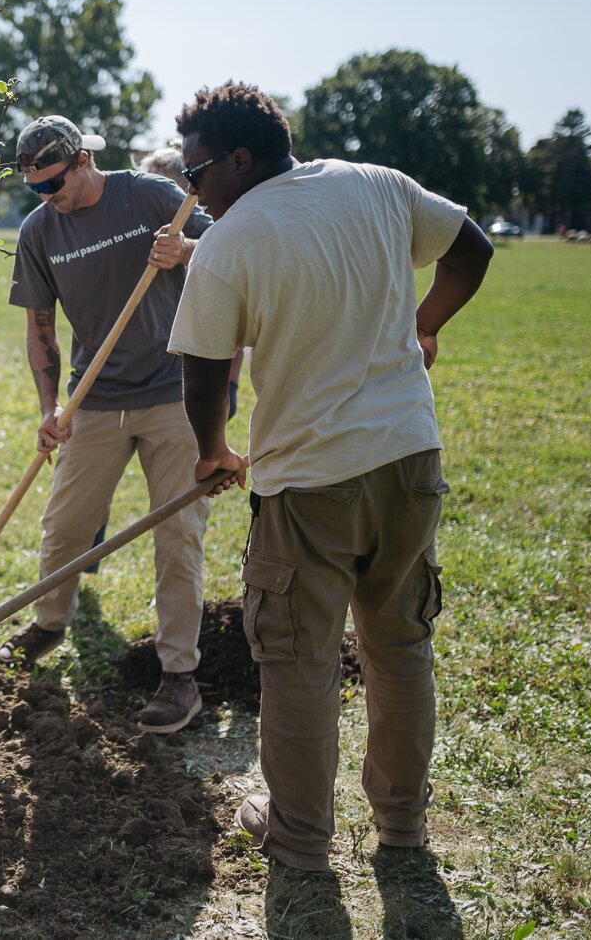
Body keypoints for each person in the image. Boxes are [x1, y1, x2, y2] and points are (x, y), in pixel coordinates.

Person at [168, 81, 492, 871]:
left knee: (297, 661)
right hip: (409, 460)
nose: (191, 192)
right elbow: (471, 248)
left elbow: (204, 375)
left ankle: (300, 839)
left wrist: (211, 452)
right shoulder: (373, 183)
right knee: (398, 645)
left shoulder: (229, 241)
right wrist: (424, 325)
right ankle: (402, 831)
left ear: (238, 160)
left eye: (196, 174)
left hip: (308, 482)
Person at [0, 115, 215, 735]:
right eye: (34, 186)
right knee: (65, 525)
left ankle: (179, 675)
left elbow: (232, 248)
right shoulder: (39, 230)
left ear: (83, 160)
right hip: (93, 400)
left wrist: (185, 250)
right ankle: (48, 622)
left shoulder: (149, 193)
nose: (46, 196)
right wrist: (48, 408)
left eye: (53, 182)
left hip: (174, 392)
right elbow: (40, 329)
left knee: (177, 534)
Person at [137, 146, 246, 419]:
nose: (161, 198)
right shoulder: (142, 227)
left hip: (190, 369)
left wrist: (229, 384)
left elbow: (229, 257)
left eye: (170, 188)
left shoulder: (210, 223)